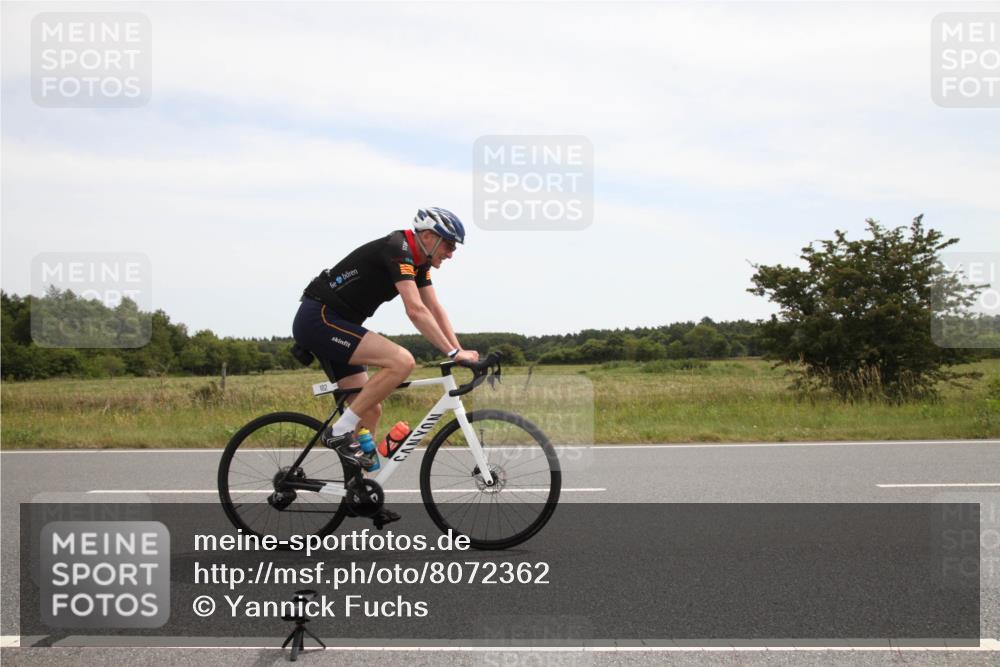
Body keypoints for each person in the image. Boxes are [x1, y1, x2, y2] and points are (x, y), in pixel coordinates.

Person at [292, 208, 479, 527]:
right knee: (402, 361)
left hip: (339, 323)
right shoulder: (399, 249)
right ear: (429, 237)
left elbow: (434, 307)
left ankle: (360, 493)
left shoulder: (419, 262)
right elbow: (416, 311)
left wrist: (458, 349)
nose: (451, 253)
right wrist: (451, 352)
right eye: (449, 245)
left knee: (371, 410)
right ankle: (338, 432)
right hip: (320, 318)